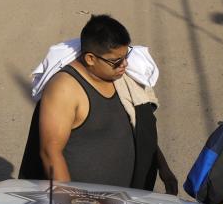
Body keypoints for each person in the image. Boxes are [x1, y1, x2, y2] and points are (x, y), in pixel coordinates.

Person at [19, 15, 177, 193]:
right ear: (90, 59)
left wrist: (163, 168)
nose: (124, 64)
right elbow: (50, 152)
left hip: (124, 203)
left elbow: (139, 128)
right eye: (116, 61)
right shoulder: (65, 89)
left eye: (126, 56)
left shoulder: (124, 79)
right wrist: (70, 203)